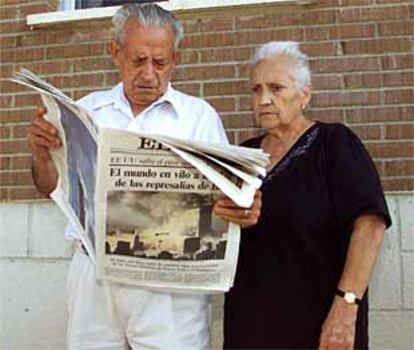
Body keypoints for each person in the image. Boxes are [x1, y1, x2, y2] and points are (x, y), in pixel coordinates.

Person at [27, 4, 260, 350]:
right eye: (138, 61)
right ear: (115, 52)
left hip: (169, 283)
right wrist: (41, 154)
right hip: (94, 276)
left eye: (160, 62)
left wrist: (242, 206)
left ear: (175, 60)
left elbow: (231, 198)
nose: (149, 74)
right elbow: (49, 187)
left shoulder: (198, 118)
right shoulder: (86, 111)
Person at [221, 41, 392, 349]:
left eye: (276, 88)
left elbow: (370, 227)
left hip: (319, 324)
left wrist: (346, 307)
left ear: (305, 95)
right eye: (256, 90)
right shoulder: (242, 156)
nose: (264, 99)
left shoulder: (334, 144)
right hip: (250, 325)